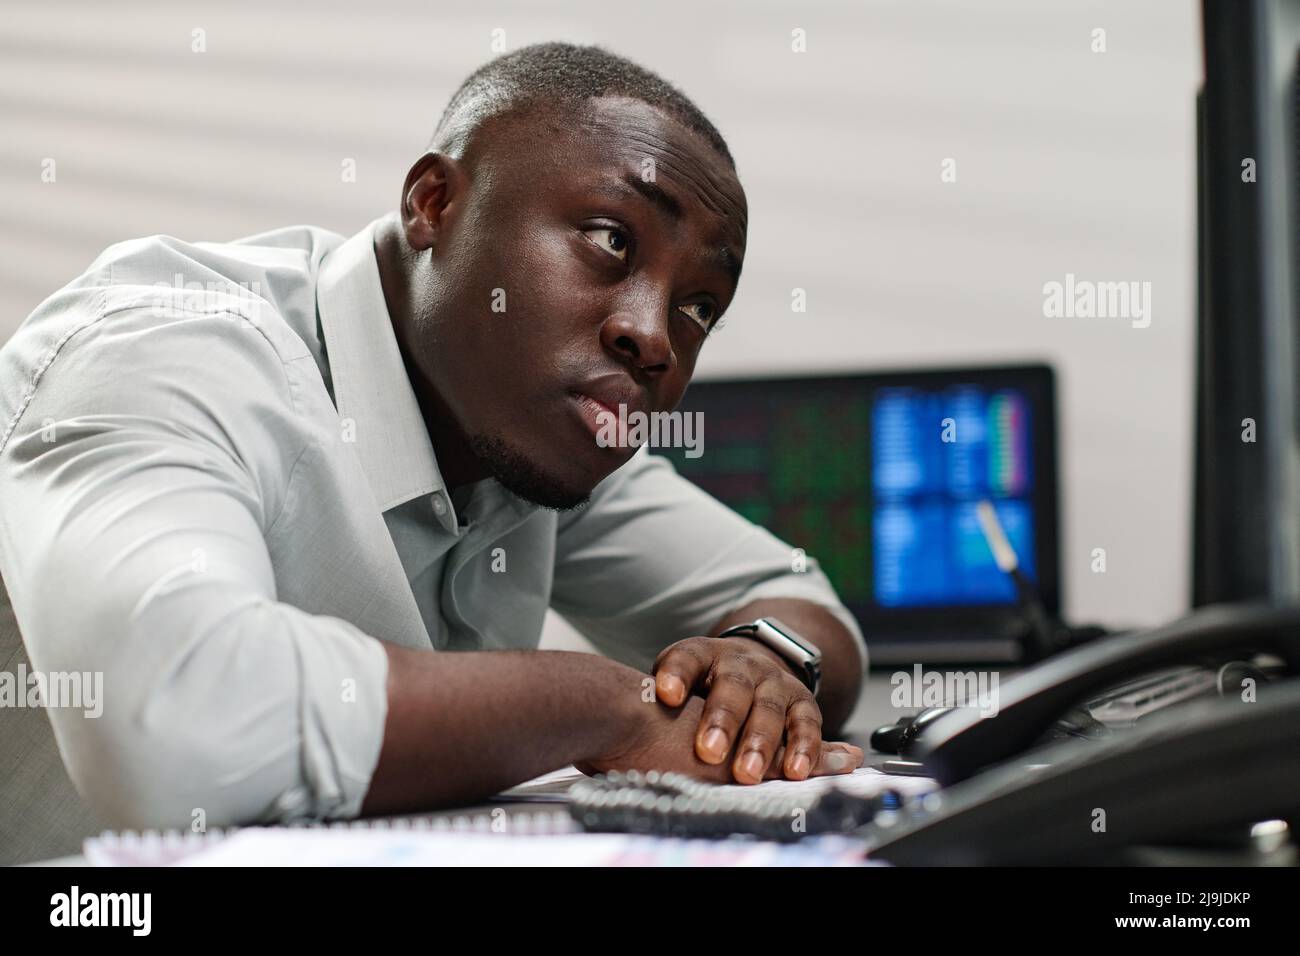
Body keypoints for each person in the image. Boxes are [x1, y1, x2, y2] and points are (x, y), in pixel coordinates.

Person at [0, 42, 866, 829]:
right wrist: (606, 706)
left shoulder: (533, 429)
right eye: (610, 240)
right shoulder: (163, 350)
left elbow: (797, 599)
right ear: (434, 202)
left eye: (700, 305)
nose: (656, 339)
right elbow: (173, 719)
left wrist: (759, 671)